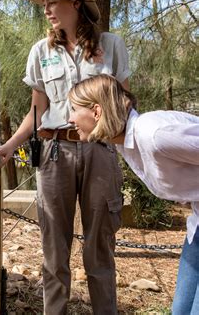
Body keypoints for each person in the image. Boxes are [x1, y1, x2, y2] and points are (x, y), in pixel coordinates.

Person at [0, 0, 131, 314]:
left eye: (53, 2)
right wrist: (9, 146)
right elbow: (38, 108)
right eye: (44, 3)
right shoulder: (41, 51)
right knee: (53, 247)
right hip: (54, 152)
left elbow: (125, 100)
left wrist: (130, 143)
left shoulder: (112, 45)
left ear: (75, 3)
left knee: (100, 247)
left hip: (100, 151)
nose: (46, 9)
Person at [68, 74, 199, 315]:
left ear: (96, 111)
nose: (70, 118)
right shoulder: (126, 142)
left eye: (75, 110)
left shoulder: (154, 134)